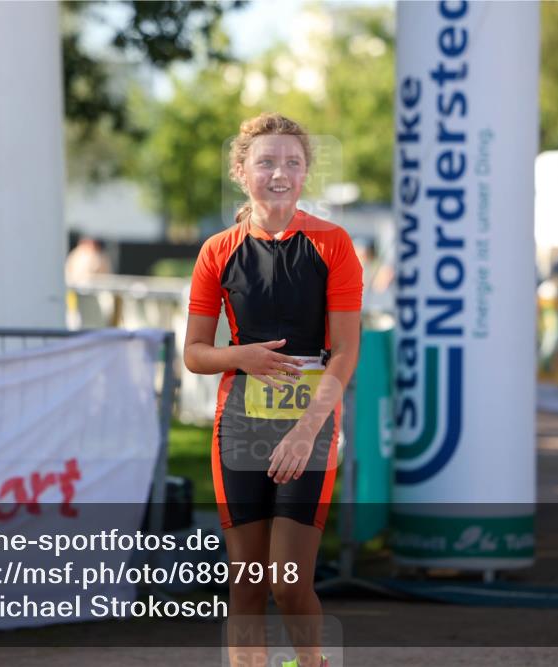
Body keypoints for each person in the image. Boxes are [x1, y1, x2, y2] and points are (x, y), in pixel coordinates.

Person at [183, 113, 363, 667]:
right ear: (241, 172)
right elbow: (194, 353)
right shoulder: (218, 250)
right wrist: (242, 357)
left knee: (287, 583)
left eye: (292, 162)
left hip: (309, 428)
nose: (279, 173)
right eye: (266, 162)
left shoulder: (332, 244)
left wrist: (306, 433)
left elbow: (346, 352)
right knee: (245, 583)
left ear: (305, 172)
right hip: (239, 426)